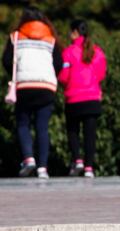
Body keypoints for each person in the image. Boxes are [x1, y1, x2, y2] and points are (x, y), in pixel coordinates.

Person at [2, 8, 62, 179]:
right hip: (46, 86)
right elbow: (59, 62)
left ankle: (29, 159)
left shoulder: (16, 37)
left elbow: (6, 60)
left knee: (23, 123)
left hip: (24, 86)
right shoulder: (51, 39)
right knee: (42, 127)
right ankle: (43, 168)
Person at [58, 20, 106, 178]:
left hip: (74, 98)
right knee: (90, 134)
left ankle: (77, 159)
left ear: (75, 33)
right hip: (92, 98)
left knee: (73, 131)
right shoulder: (97, 51)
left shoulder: (68, 52)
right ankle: (89, 168)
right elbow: (101, 74)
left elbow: (64, 76)